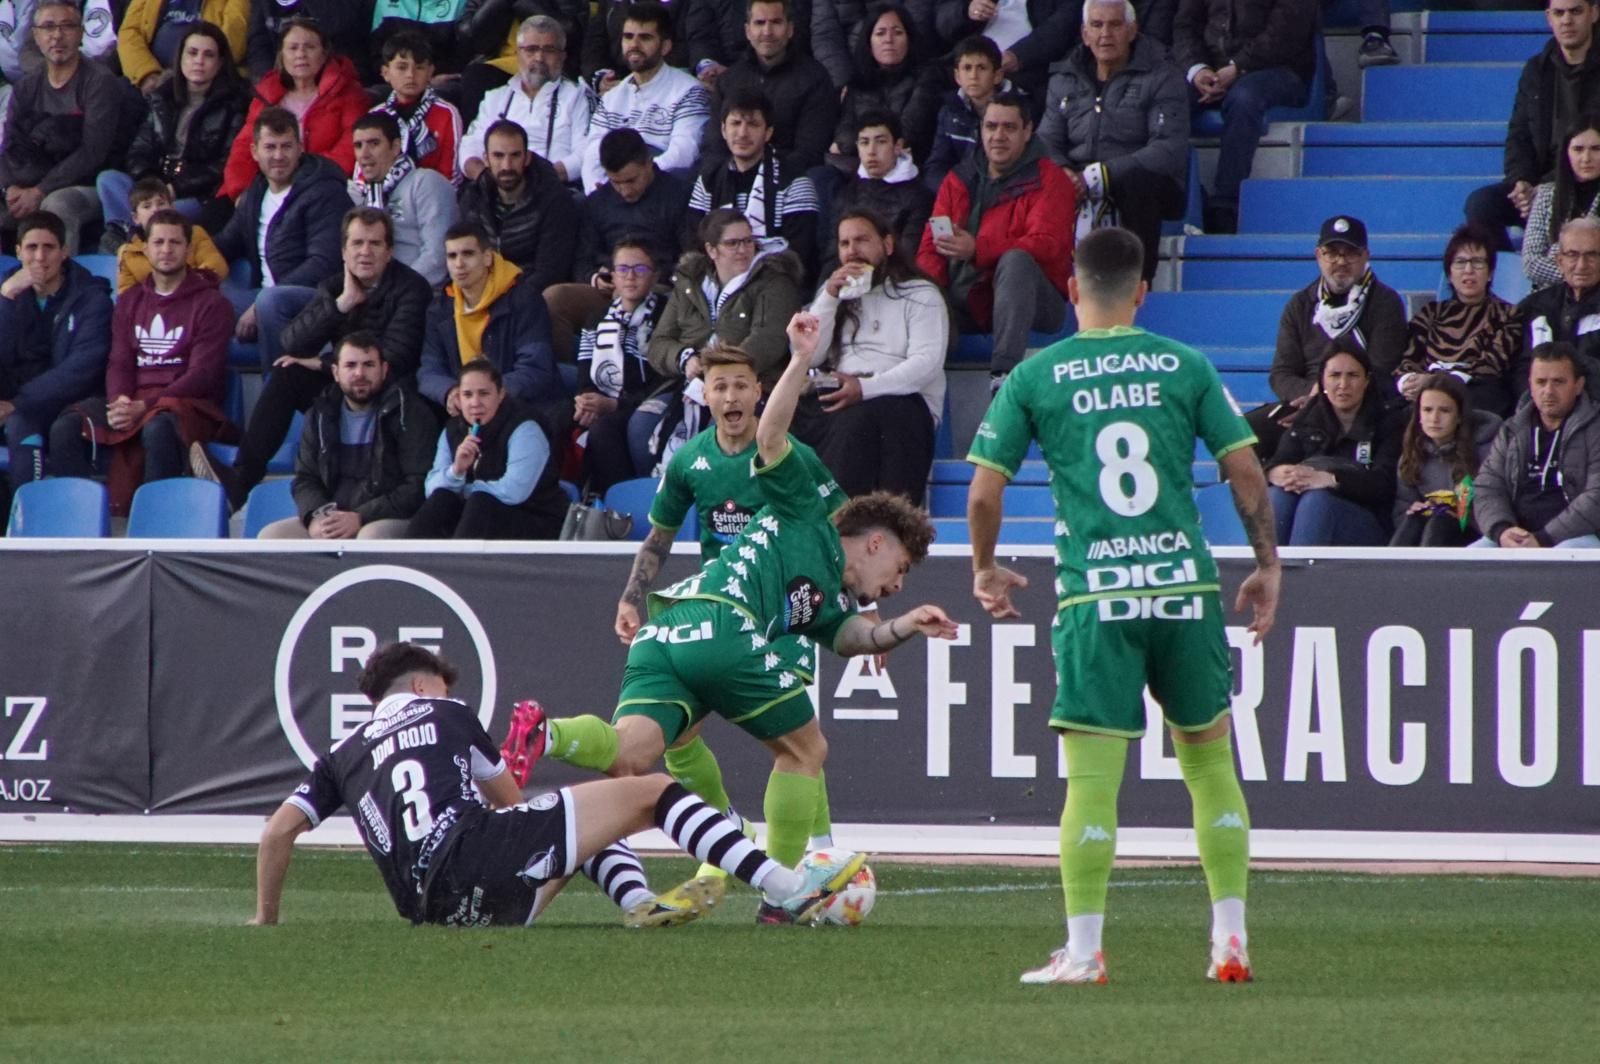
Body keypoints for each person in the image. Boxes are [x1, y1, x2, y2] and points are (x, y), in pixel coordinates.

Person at [512, 309, 957, 922]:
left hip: (669, 628)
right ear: (877, 542)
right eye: (901, 569)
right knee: (805, 750)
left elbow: (850, 636)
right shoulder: (808, 511)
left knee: (630, 755)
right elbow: (771, 441)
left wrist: (903, 628)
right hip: (724, 626)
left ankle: (546, 733)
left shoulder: (826, 591)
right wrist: (801, 361)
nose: (896, 584)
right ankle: (782, 893)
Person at [965, 226, 1280, 986]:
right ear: (1143, 292)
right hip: (1184, 590)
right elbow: (1247, 474)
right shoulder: (1186, 364)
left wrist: (984, 568)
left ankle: (1083, 952)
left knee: (1093, 783)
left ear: (1072, 290)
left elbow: (982, 491)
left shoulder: (1037, 375)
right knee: (1210, 764)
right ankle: (1230, 940)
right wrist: (1267, 563)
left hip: (1098, 596)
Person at [253, 640, 869, 929]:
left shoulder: (340, 753)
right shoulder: (448, 713)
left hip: (430, 912)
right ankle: (786, 887)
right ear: (422, 688)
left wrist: (267, 917)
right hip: (479, 864)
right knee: (647, 792)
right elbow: (513, 805)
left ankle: (637, 905)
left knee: (571, 820)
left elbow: (278, 831)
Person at [614, 340, 847, 883]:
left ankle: (820, 852)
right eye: (720, 386)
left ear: (759, 390)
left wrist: (856, 605)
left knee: (798, 739)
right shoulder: (691, 461)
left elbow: (846, 527)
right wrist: (632, 595)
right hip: (717, 613)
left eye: (741, 383)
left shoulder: (790, 456)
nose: (732, 395)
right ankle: (724, 828)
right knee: (678, 737)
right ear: (705, 395)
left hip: (785, 611)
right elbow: (660, 537)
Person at [192, 208, 434, 511]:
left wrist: (324, 364)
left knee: (313, 369)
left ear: (389, 252)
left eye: (374, 244)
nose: (365, 252)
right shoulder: (335, 287)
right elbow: (291, 341)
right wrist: (342, 304)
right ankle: (240, 481)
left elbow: (397, 354)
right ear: (344, 251)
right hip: (345, 387)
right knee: (286, 374)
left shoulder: (412, 288)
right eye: (357, 244)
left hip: (393, 393)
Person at [48, 210, 232, 516]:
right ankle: (79, 520)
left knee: (158, 428)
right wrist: (120, 401)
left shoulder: (213, 303)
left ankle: (157, 522)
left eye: (175, 242)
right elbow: (119, 360)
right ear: (145, 249)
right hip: (133, 400)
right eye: (158, 241)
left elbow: (203, 374)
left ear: (188, 249)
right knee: (65, 426)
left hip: (185, 404)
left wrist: (145, 407)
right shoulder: (131, 300)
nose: (166, 249)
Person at [917, 92, 1075, 390]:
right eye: (991, 127)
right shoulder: (958, 178)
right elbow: (930, 246)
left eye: (1009, 128)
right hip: (966, 301)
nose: (998, 136)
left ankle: (1003, 376)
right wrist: (926, 293)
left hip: (1035, 300)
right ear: (981, 130)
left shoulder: (1050, 179)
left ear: (1027, 131)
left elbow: (1047, 244)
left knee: (1016, 260)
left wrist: (978, 249)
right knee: (914, 284)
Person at [793, 209, 947, 503]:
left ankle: (849, 521)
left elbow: (926, 364)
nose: (853, 251)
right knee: (785, 417)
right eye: (844, 243)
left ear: (887, 245)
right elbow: (809, 355)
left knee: (860, 421)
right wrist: (828, 297)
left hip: (902, 400)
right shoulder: (833, 297)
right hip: (842, 394)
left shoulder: (920, 294)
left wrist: (865, 388)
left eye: (862, 240)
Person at [1037, 0, 1188, 282]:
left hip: (1141, 182)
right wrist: (1064, 172)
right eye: (1096, 25)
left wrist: (1102, 174)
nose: (1105, 34)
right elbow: (1046, 140)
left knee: (1139, 182)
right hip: (1076, 178)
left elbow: (1168, 148)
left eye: (1115, 25)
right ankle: (1052, 292)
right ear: (1084, 33)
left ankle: (1138, 286)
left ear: (1132, 30)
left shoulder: (1163, 74)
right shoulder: (1063, 77)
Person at [257, 333, 437, 540]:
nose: (359, 373)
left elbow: (417, 485)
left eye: (369, 365)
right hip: (334, 515)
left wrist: (361, 516)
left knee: (370, 536)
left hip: (388, 517)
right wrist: (316, 516)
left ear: (384, 370)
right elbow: (305, 479)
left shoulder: (410, 412)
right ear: (335, 372)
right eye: (350, 365)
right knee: (272, 536)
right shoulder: (319, 414)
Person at [1253, 215, 1408, 455]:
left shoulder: (1386, 302)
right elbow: (1282, 373)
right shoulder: (1301, 304)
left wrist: (1327, 400)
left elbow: (1381, 370)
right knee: (1245, 433)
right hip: (1307, 398)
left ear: (1366, 256)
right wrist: (1313, 396)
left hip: (1361, 403)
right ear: (1318, 256)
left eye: (1351, 253)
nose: (1341, 261)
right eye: (1332, 253)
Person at [211, 107, 351, 364]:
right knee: (200, 298)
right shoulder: (257, 190)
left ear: (300, 148)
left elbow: (324, 264)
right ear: (255, 151)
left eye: (286, 147)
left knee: (271, 301)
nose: (278, 156)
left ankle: (277, 388)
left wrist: (259, 305)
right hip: (262, 296)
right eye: (270, 147)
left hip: (312, 298)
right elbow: (225, 243)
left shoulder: (324, 190)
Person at [1464, 0, 1600, 252]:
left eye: (1576, 11)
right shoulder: (1536, 70)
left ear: (1594, 13)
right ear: (1549, 17)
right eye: (1559, 13)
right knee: (1481, 204)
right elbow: (1519, 134)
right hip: (1542, 187)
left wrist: (1554, 185)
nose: (1567, 20)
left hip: (1590, 183)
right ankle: (1509, 281)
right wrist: (1521, 182)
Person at [1172, 0, 1317, 234]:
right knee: (1168, 99)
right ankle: (1185, 194)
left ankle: (1225, 205)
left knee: (1244, 100)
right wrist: (1198, 69)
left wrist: (1238, 66)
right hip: (1212, 69)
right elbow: (1184, 26)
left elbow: (1288, 32)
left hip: (1278, 69)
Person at [548, 128, 690, 361]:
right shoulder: (598, 202)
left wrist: (649, 278)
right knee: (555, 299)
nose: (625, 190)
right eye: (616, 182)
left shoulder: (678, 194)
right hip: (609, 289)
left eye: (631, 180)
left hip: (662, 290)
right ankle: (579, 374)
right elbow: (583, 259)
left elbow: (690, 256)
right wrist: (596, 278)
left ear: (648, 163)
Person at [0, 0, 129, 254]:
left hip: (86, 184)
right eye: (48, 27)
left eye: (67, 26)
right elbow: (9, 145)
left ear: (81, 33)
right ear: (35, 36)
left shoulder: (99, 82)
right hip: (31, 181)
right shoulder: (26, 87)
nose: (57, 35)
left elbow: (93, 152)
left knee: (57, 206)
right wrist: (10, 188)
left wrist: (39, 191)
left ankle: (65, 286)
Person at [104, 21, 250, 238]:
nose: (198, 61)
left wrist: (175, 189)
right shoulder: (161, 96)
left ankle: (137, 236)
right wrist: (151, 185)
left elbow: (223, 165)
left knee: (169, 215)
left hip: (195, 194)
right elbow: (139, 149)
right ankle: (128, 239)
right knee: (108, 180)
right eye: (192, 53)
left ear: (220, 63)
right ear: (180, 57)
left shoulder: (235, 104)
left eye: (208, 55)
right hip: (156, 187)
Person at [0, 210, 112, 492]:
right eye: (31, 248)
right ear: (17, 252)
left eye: (48, 247)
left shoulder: (92, 299)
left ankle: (41, 523)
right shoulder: (7, 292)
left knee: (23, 425)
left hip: (73, 401)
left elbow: (82, 367)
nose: (39, 258)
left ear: (64, 252)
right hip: (16, 401)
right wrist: (6, 301)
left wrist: (18, 402)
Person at [417, 219, 564, 418]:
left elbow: (536, 368)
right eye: (452, 256)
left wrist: (486, 396)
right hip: (466, 413)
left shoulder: (524, 298)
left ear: (487, 257)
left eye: (468, 254)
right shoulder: (440, 308)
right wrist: (450, 392)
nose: (459, 264)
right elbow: (429, 370)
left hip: (523, 411)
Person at [409, 358, 569, 538]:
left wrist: (465, 490)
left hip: (533, 517)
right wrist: (457, 471)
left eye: (484, 393)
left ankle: (459, 565)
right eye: (467, 395)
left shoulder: (525, 427)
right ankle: (410, 563)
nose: (475, 403)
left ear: (500, 394)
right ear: (458, 399)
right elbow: (432, 487)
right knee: (441, 500)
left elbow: (514, 492)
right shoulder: (452, 429)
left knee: (480, 502)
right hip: (477, 518)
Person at [647, 209, 807, 390]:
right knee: (643, 419)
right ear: (711, 250)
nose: (743, 249)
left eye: (748, 241)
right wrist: (684, 358)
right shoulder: (689, 282)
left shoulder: (774, 281)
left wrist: (713, 375)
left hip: (752, 386)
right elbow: (658, 343)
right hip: (686, 384)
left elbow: (768, 341)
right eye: (733, 243)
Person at [1265, 342, 1406, 546]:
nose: (1343, 384)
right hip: (1315, 511)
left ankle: (1304, 577)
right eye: (1335, 375)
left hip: (1371, 523)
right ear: (1322, 380)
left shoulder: (1389, 420)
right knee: (1278, 495)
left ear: (1367, 380)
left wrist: (1331, 479)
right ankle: (1270, 573)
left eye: (1353, 375)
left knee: (1317, 500)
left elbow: (1385, 485)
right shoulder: (1308, 417)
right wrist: (1277, 473)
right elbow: (1279, 460)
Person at [220, 18, 369, 200]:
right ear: (281, 55)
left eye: (309, 47)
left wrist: (298, 182)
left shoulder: (349, 93)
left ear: (324, 54)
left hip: (324, 189)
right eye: (293, 48)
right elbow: (244, 148)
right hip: (265, 188)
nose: (301, 54)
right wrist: (242, 192)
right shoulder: (267, 94)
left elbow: (350, 149)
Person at [1473, 341, 1600, 548]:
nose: (1548, 391)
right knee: (1473, 559)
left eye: (1558, 382)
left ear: (1578, 385)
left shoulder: (1596, 428)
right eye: (1541, 382)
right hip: (1517, 536)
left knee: (1566, 556)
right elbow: (1487, 486)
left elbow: (1596, 497)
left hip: (1578, 537)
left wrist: (1543, 538)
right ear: (1530, 385)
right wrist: (1502, 530)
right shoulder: (1511, 429)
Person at [683, 89, 820, 278]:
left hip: (774, 284)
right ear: (723, 129)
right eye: (735, 123)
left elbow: (798, 252)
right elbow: (695, 242)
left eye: (753, 124)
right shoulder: (709, 179)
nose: (742, 133)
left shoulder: (794, 182)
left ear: (768, 132)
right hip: (717, 281)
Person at [580, 3, 713, 194]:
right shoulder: (612, 98)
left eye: (645, 37)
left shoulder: (689, 90)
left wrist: (631, 180)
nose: (634, 45)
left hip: (662, 190)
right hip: (615, 190)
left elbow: (684, 153)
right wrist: (602, 191)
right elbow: (593, 153)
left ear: (665, 46)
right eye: (628, 37)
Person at [1398, 224, 1521, 418]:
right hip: (1425, 399)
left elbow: (1489, 367)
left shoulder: (1507, 315)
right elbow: (1409, 358)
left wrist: (1434, 382)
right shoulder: (1431, 313)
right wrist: (1408, 381)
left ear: (1490, 273)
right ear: (1449, 273)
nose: (1468, 270)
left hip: (1476, 398)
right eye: (1460, 262)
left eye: (1478, 262)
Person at [574, 239, 668, 493]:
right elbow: (584, 368)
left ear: (655, 275)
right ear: (612, 275)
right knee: (558, 419)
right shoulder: (597, 319)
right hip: (604, 398)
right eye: (623, 269)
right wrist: (585, 398)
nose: (630, 277)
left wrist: (616, 405)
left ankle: (623, 503)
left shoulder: (665, 316)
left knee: (604, 429)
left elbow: (665, 379)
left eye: (640, 269)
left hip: (643, 402)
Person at [697, 0, 836, 170]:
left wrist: (760, 174)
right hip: (731, 179)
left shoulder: (815, 79)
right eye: (759, 23)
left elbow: (810, 152)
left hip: (789, 181)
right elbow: (714, 147)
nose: (767, 32)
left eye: (776, 22)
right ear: (747, 31)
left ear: (790, 29)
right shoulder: (729, 80)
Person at [459, 16, 595, 187]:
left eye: (549, 50)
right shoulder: (495, 98)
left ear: (563, 56)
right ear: (518, 54)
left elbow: (586, 152)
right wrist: (484, 178)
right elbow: (470, 146)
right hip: (499, 188)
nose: (539, 57)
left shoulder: (577, 96)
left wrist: (540, 182)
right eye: (531, 49)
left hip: (554, 190)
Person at [457, 119, 579, 291]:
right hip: (482, 292)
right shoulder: (473, 196)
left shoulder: (554, 199)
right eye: (498, 156)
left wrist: (507, 299)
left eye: (515, 155)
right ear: (486, 159)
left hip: (530, 296)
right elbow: (463, 255)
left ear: (527, 157)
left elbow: (550, 272)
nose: (507, 166)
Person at [817, 111, 934, 277]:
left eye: (881, 142)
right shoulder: (846, 191)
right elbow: (831, 254)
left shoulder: (919, 197)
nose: (871, 151)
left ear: (898, 146)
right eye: (864, 143)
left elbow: (907, 257)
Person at [1390, 373, 1501, 548]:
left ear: (1459, 416)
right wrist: (1415, 510)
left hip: (1476, 532)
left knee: (1439, 522)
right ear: (1418, 414)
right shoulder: (1412, 452)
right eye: (1427, 410)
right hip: (1429, 528)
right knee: (1416, 520)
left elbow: (1495, 507)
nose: (1434, 418)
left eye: (1445, 410)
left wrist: (1455, 512)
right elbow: (1401, 510)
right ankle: (1391, 573)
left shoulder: (1487, 449)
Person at [349, 111, 457, 288]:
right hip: (372, 296)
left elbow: (437, 256)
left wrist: (398, 292)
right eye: (358, 146)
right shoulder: (362, 198)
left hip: (421, 295)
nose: (364, 154)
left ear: (395, 147)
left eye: (374, 144)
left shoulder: (425, 182)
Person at [831, 3, 944, 166]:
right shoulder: (858, 83)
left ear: (909, 39)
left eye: (897, 33)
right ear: (869, 44)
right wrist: (847, 145)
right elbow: (845, 128)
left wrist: (859, 146)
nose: (889, 40)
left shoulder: (926, 79)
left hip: (907, 164)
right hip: (858, 164)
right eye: (880, 33)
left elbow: (909, 131)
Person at [371, 30, 465, 187]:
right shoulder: (375, 116)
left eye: (419, 67)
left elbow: (451, 176)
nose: (410, 75)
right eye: (402, 67)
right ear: (385, 73)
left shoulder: (447, 113)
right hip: (381, 199)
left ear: (430, 72)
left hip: (431, 198)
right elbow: (362, 173)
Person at [1517, 216, 1600, 392]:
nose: (1581, 265)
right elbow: (1521, 368)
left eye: (1591, 255)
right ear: (1559, 261)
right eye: (1572, 255)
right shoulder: (1533, 307)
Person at [922, 35, 1014, 195]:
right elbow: (935, 167)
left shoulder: (1016, 110)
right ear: (957, 76)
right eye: (967, 68)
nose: (973, 76)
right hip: (956, 196)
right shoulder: (949, 111)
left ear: (998, 75)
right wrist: (953, 192)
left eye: (981, 68)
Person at [111, 178, 228, 294]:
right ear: (135, 218)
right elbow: (127, 295)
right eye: (147, 206)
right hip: (153, 309)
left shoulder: (195, 234)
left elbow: (216, 266)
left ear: (172, 208)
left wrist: (181, 288)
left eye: (161, 203)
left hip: (198, 298)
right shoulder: (127, 252)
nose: (155, 210)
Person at [1524, 114, 1600, 291]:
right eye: (1578, 149)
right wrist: (1574, 275)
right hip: (1552, 296)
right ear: (1566, 153)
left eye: (1596, 149)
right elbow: (1531, 262)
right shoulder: (1547, 194)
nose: (1586, 158)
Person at [115, 0, 248, 96]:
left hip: (205, 79)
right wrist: (147, 74)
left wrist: (185, 75)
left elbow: (233, 42)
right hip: (153, 76)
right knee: (120, 91)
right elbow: (129, 32)